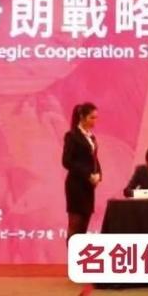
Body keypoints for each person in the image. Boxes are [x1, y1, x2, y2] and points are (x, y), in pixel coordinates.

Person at [62, 102, 101, 241]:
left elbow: (94, 159)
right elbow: (67, 161)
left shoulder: (91, 137)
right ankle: (72, 253)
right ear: (82, 117)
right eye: (92, 118)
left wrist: (99, 175)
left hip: (88, 187)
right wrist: (87, 175)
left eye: (96, 118)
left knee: (84, 226)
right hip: (76, 185)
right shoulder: (72, 136)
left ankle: (80, 253)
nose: (94, 121)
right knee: (75, 225)